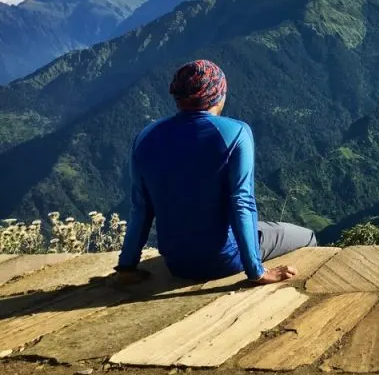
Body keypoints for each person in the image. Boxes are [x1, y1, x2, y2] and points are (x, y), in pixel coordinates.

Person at [114, 59, 317, 285]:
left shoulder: (145, 137)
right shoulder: (236, 133)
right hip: (224, 260)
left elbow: (141, 208)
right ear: (218, 95)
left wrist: (127, 266)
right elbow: (242, 202)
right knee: (307, 236)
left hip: (176, 262)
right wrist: (256, 271)